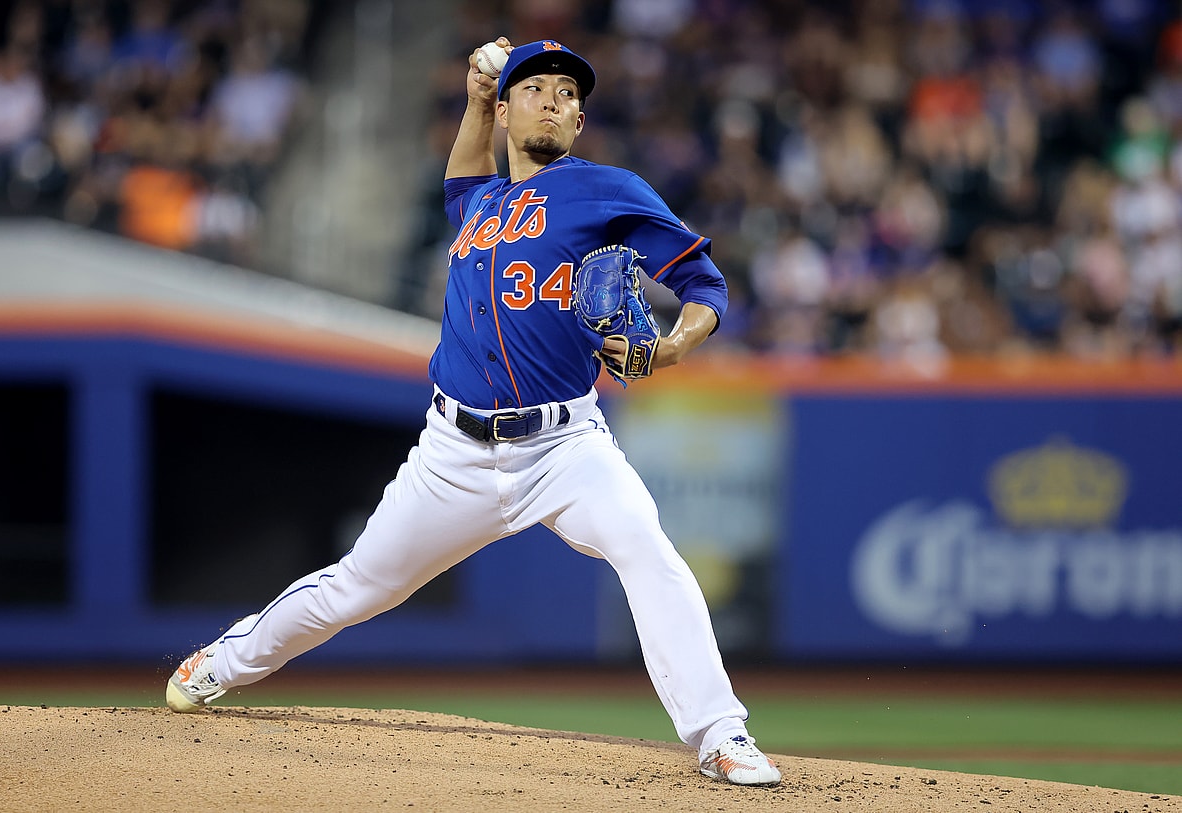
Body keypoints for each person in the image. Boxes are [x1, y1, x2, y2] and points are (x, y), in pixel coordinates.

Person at [165, 36, 782, 787]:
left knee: (648, 552)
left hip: (566, 447)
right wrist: (472, 98)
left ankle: (721, 734)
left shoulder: (606, 189)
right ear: (506, 106)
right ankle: (221, 662)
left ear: (580, 120)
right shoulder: (478, 201)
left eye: (567, 91)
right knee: (358, 585)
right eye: (537, 86)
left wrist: (677, 346)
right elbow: (462, 167)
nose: (554, 97)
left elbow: (704, 283)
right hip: (451, 452)